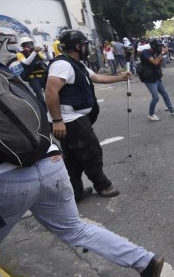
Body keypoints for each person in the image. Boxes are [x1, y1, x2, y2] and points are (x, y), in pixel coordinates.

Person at [0, 60, 165, 277]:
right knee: (75, 228)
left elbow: (82, 82)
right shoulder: (2, 70)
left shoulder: (69, 64)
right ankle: (144, 261)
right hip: (49, 159)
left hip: (5, 175)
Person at [45, 30, 122, 203]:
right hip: (70, 121)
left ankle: (75, 191)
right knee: (90, 152)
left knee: (73, 157)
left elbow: (97, 77)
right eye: (85, 45)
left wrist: (121, 78)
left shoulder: (76, 64)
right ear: (77, 46)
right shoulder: (62, 65)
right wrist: (58, 121)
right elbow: (50, 92)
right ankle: (102, 185)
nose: (88, 48)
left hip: (71, 120)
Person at [139, 38, 174, 121]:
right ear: (154, 46)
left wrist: (162, 53)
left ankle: (172, 111)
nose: (160, 47)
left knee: (165, 95)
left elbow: (158, 64)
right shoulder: (146, 52)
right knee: (156, 97)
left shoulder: (156, 53)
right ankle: (151, 114)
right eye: (158, 46)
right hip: (149, 79)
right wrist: (162, 53)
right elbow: (154, 62)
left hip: (156, 78)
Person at [16, 36, 48, 110]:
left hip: (43, 76)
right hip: (33, 78)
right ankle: (44, 111)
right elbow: (27, 62)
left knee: (50, 92)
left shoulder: (36, 52)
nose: (29, 45)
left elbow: (47, 59)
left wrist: (46, 52)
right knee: (40, 96)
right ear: (23, 46)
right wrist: (34, 52)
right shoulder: (20, 54)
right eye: (26, 44)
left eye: (30, 43)